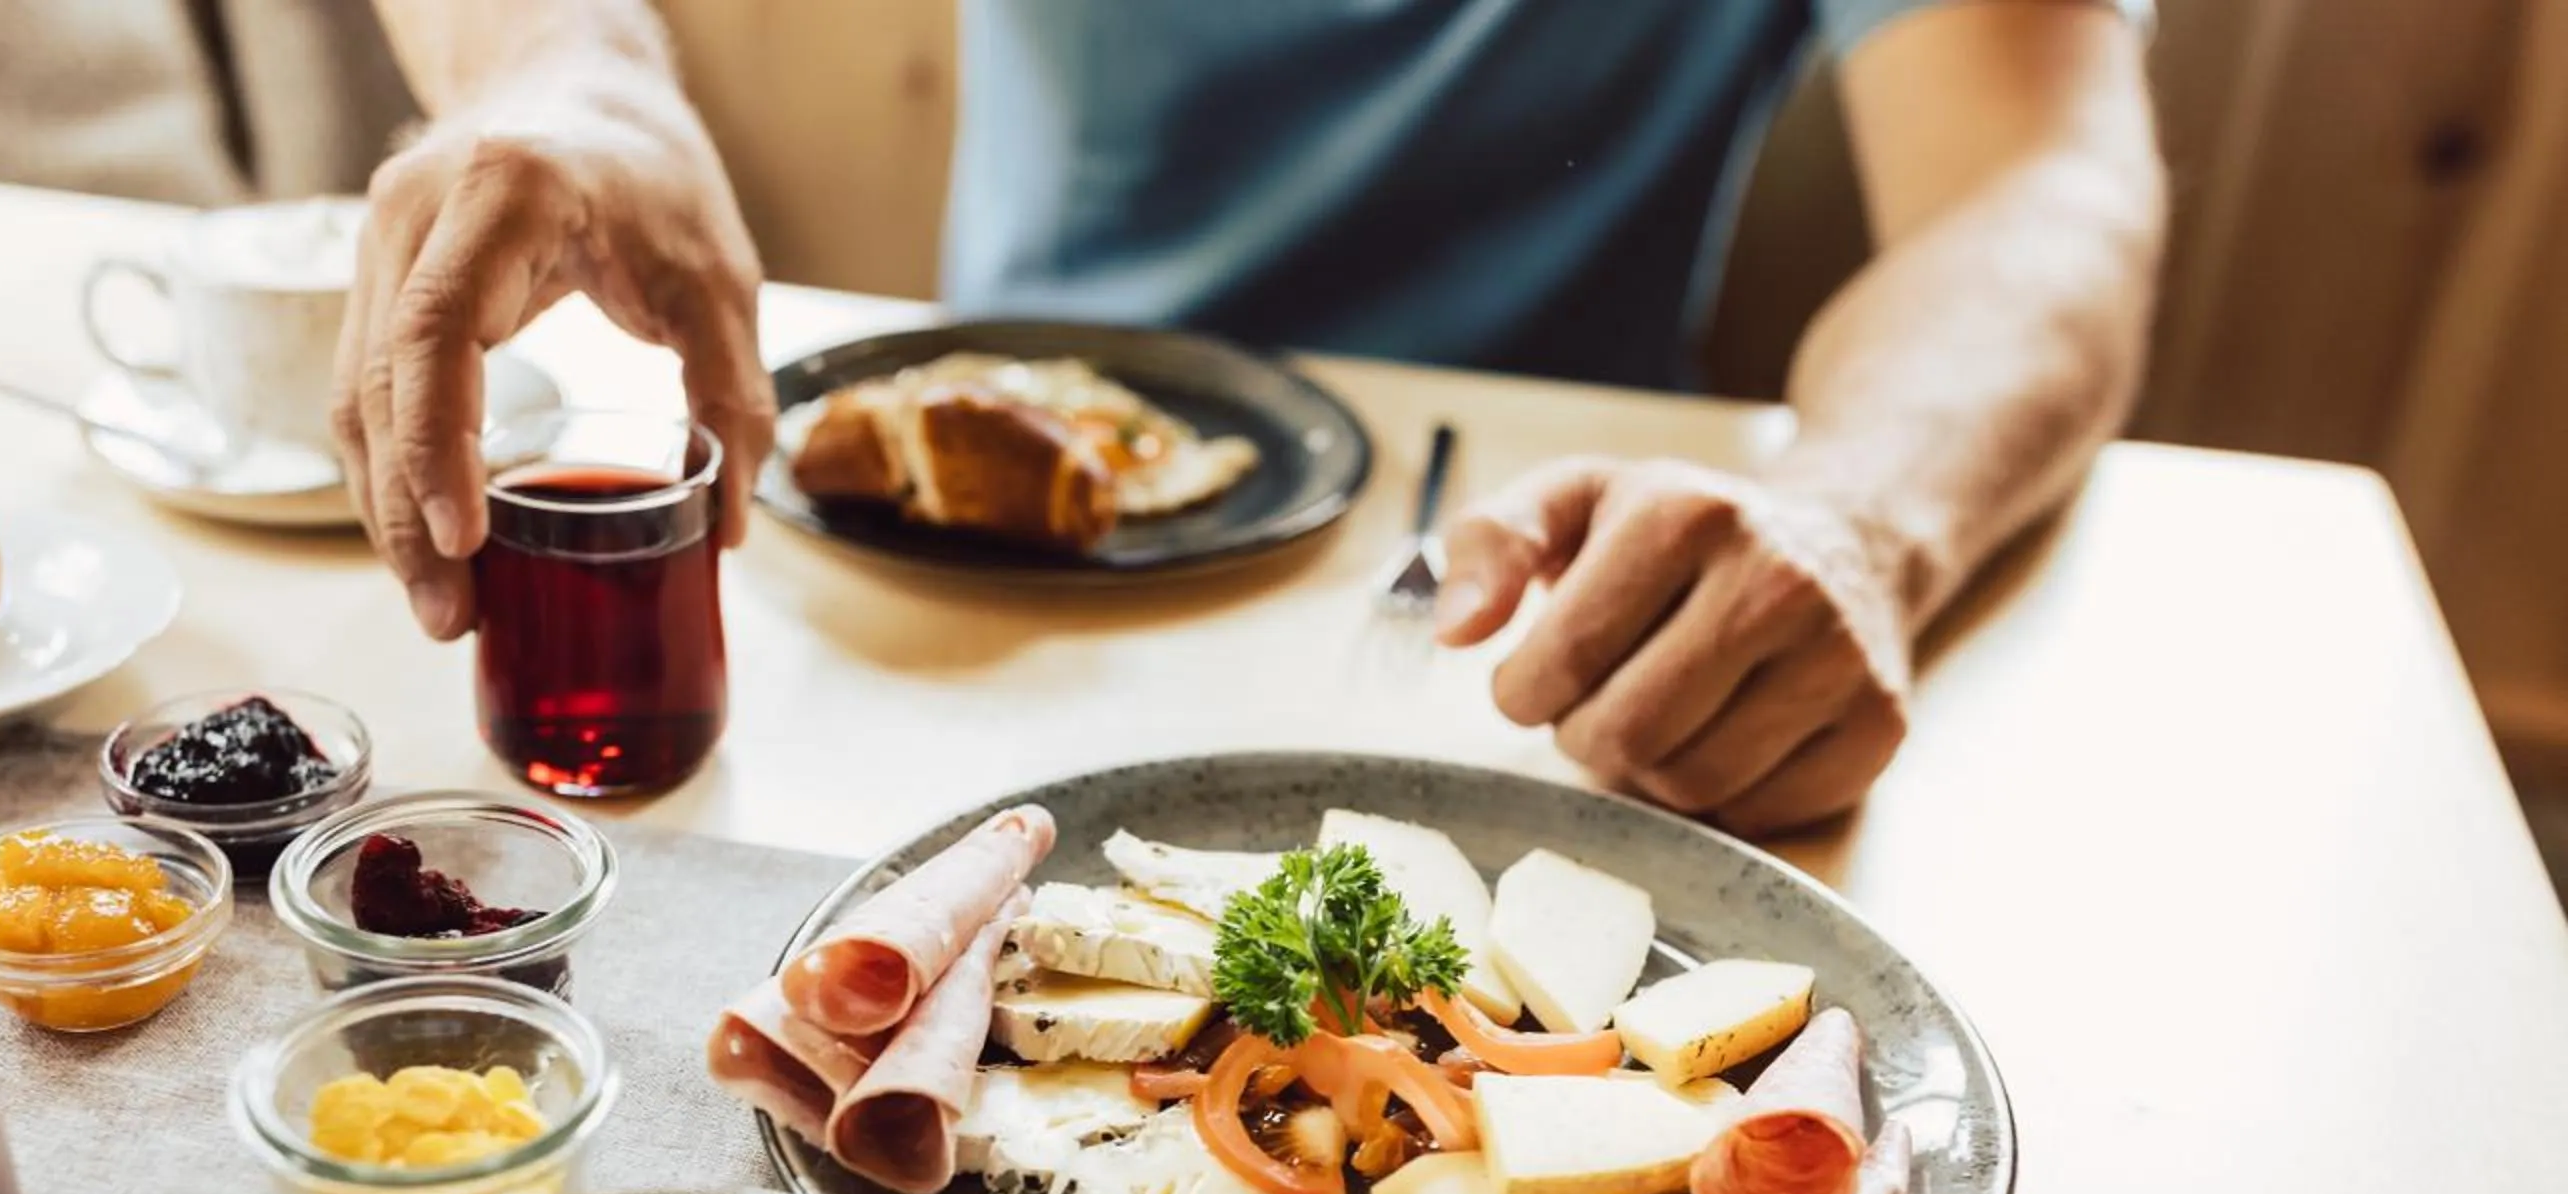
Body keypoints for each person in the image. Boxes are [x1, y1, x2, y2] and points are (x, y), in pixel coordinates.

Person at [339, 0, 2164, 833]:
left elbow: (2043, 187)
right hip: (943, 616)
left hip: (1539, 627)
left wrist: (1860, 513)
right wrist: (563, 66)